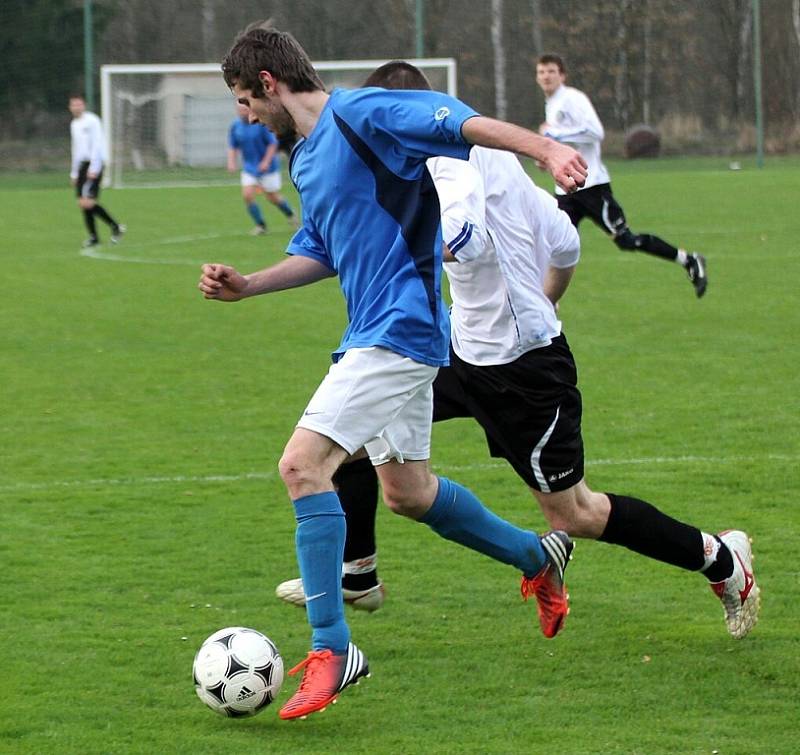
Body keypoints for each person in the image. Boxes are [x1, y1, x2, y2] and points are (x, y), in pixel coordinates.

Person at [273, 61, 760, 647]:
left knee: (574, 513)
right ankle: (357, 574)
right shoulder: (490, 158)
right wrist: (540, 299)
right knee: (344, 443)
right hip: (453, 347)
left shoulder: (439, 162)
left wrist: (460, 263)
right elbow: (565, 240)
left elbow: (466, 232)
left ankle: (720, 558)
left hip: (520, 370)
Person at [199, 24, 588, 722]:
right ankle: (537, 556)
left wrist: (550, 146)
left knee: (301, 466)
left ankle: (332, 648)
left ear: (267, 83)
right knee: (407, 491)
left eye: (243, 101)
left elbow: (464, 121)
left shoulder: (365, 112)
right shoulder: (308, 160)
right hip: (375, 335)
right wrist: (249, 284)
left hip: (400, 331)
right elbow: (323, 251)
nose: (245, 118)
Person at [534, 54, 708, 298]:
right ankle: (543, 302)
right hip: (566, 190)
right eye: (541, 72)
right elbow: (565, 143)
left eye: (551, 71)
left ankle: (689, 260)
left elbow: (595, 132)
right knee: (554, 245)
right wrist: (549, 157)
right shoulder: (551, 104)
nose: (546, 76)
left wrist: (554, 136)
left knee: (625, 240)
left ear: (562, 75)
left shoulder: (572, 98)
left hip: (592, 186)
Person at [227, 102, 299, 234]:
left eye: (244, 109)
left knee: (272, 197)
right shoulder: (235, 126)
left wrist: (266, 162)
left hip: (268, 168)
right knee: (247, 195)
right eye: (239, 109)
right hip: (249, 168)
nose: (242, 112)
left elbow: (272, 144)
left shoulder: (259, 124)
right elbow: (233, 145)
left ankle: (290, 214)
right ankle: (261, 225)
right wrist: (231, 162)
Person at [68, 95, 125, 248]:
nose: (76, 107)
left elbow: (97, 144)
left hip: (94, 163)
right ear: (70, 107)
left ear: (84, 106)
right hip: (81, 166)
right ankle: (94, 237)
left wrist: (94, 167)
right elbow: (76, 149)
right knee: (82, 203)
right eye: (74, 105)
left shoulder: (92, 120)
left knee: (89, 202)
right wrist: (74, 173)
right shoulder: (74, 124)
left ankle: (116, 227)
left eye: (79, 104)